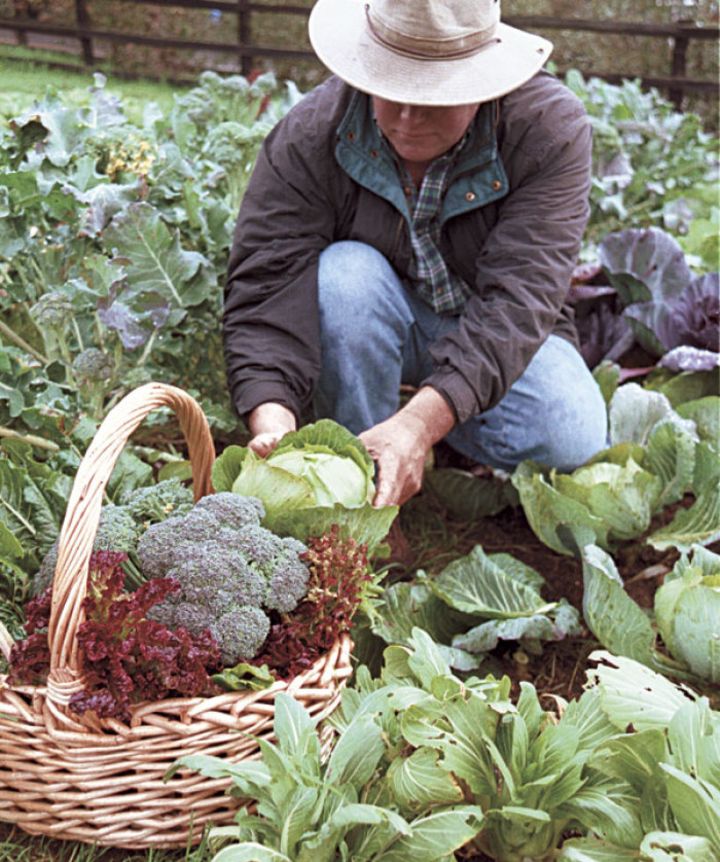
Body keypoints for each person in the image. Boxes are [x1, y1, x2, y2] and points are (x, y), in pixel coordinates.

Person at [223, 0, 608, 508]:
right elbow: (265, 283)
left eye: (432, 98)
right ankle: (363, 485)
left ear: (483, 84)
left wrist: (422, 422)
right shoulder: (313, 133)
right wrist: (273, 417)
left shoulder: (546, 131)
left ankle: (423, 426)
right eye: (390, 91)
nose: (406, 118)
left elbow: (520, 300)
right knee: (345, 277)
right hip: (370, 324)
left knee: (570, 432)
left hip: (497, 333)